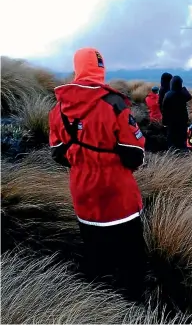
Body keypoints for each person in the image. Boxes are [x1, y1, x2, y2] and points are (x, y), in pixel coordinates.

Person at [48, 47, 147, 301]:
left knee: (94, 250)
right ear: (100, 69)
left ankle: (97, 304)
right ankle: (132, 305)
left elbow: (57, 153)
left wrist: (81, 161)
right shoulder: (114, 104)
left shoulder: (58, 109)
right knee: (131, 257)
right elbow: (134, 153)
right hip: (117, 194)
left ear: (77, 68)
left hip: (82, 193)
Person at [162, 75, 192, 151]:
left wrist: (164, 121)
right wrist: (184, 89)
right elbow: (189, 97)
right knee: (182, 134)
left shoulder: (168, 95)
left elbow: (164, 109)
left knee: (171, 134)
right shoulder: (182, 93)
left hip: (171, 119)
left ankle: (171, 150)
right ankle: (183, 149)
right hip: (182, 118)